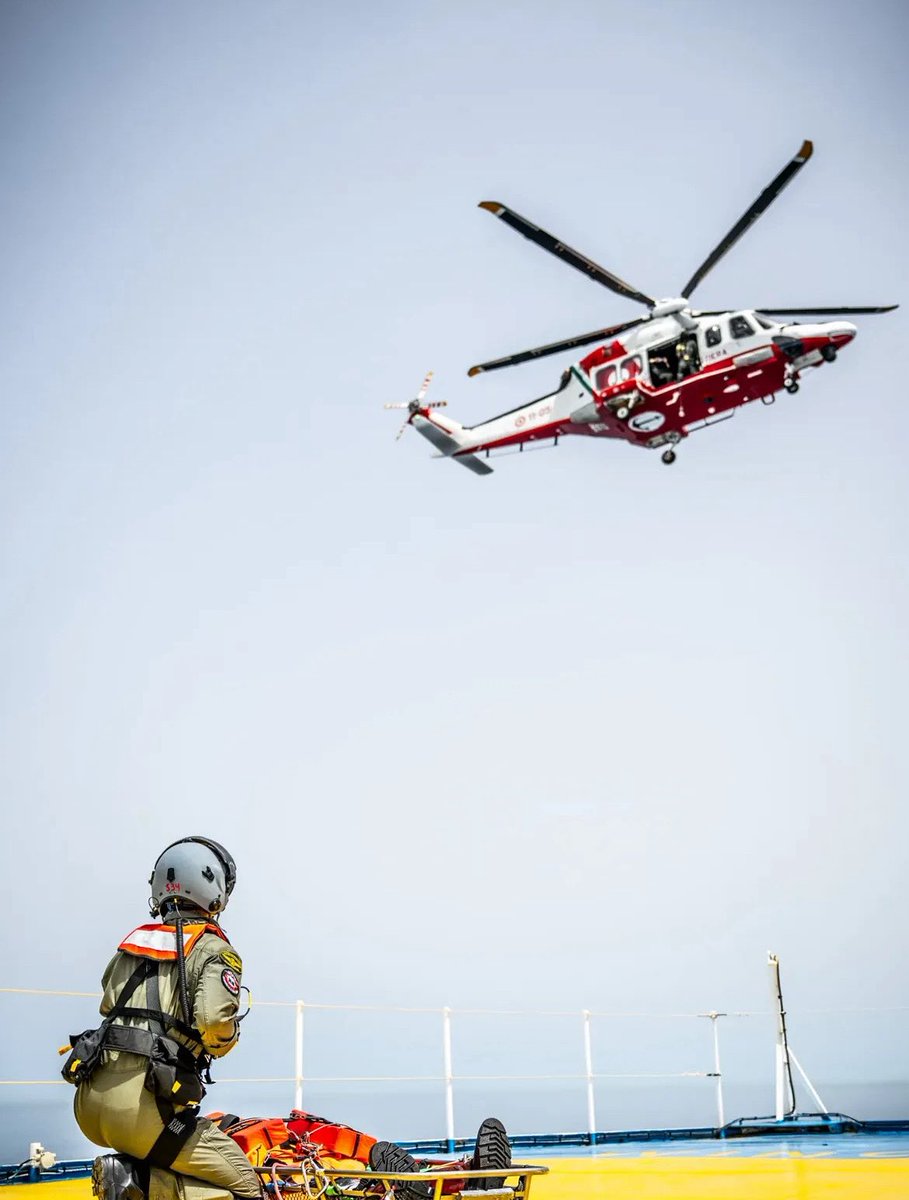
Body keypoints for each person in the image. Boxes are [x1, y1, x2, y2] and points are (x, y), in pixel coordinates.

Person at [65, 837, 260, 1200]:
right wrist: (227, 1039)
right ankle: (137, 1182)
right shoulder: (214, 949)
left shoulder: (130, 946)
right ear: (214, 889)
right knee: (247, 1185)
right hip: (147, 1114)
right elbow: (215, 1024)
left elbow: (109, 1005)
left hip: (89, 1108)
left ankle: (135, 1175)